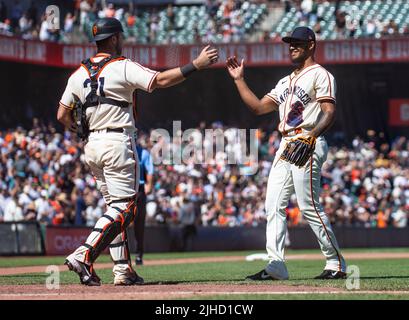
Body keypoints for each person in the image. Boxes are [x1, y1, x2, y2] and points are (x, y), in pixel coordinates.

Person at [57, 17, 218, 286]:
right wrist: (196, 65)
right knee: (127, 207)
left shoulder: (78, 74)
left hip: (92, 145)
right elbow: (160, 80)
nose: (124, 41)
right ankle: (84, 254)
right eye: (121, 36)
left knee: (114, 207)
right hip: (117, 141)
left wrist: (78, 130)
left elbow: (62, 114)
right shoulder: (122, 66)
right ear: (114, 39)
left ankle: (123, 270)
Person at [226, 26, 347, 280]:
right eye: (290, 43)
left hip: (307, 139)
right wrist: (238, 80)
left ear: (311, 45)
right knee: (273, 205)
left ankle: (335, 262)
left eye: (297, 43)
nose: (291, 46)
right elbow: (259, 107)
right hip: (286, 144)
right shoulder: (285, 81)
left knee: (309, 205)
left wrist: (311, 137)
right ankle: (276, 265)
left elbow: (329, 112)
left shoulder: (320, 75)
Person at [133, 144, 154, 265]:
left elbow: (149, 170)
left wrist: (149, 185)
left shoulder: (143, 152)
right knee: (119, 223)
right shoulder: (121, 149)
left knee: (139, 224)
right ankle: (118, 255)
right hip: (125, 188)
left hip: (139, 189)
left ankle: (138, 255)